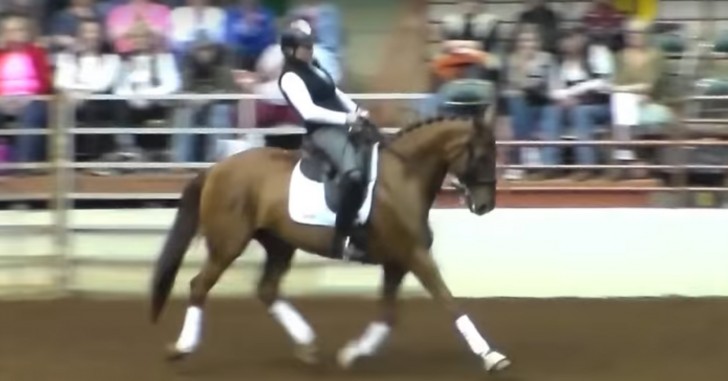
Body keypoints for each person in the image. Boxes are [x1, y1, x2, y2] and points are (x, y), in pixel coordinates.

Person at [277, 20, 369, 260]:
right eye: (305, 48)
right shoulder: (290, 77)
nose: (310, 51)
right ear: (290, 51)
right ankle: (344, 237)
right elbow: (308, 111)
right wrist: (346, 118)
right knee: (353, 174)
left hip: (343, 123)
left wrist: (357, 109)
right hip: (322, 132)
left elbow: (334, 92)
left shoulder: (313, 66)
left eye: (310, 46)